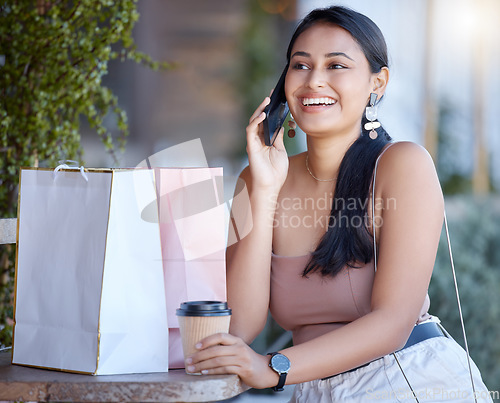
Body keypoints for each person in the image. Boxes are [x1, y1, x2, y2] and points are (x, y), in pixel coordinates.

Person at [186, 6, 492, 402]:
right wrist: (263, 189)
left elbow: (393, 322)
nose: (314, 81)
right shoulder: (258, 179)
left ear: (377, 83)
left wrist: (273, 367)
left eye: (336, 66)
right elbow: (239, 328)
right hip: (308, 389)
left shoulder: (402, 165)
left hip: (406, 380)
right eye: (301, 65)